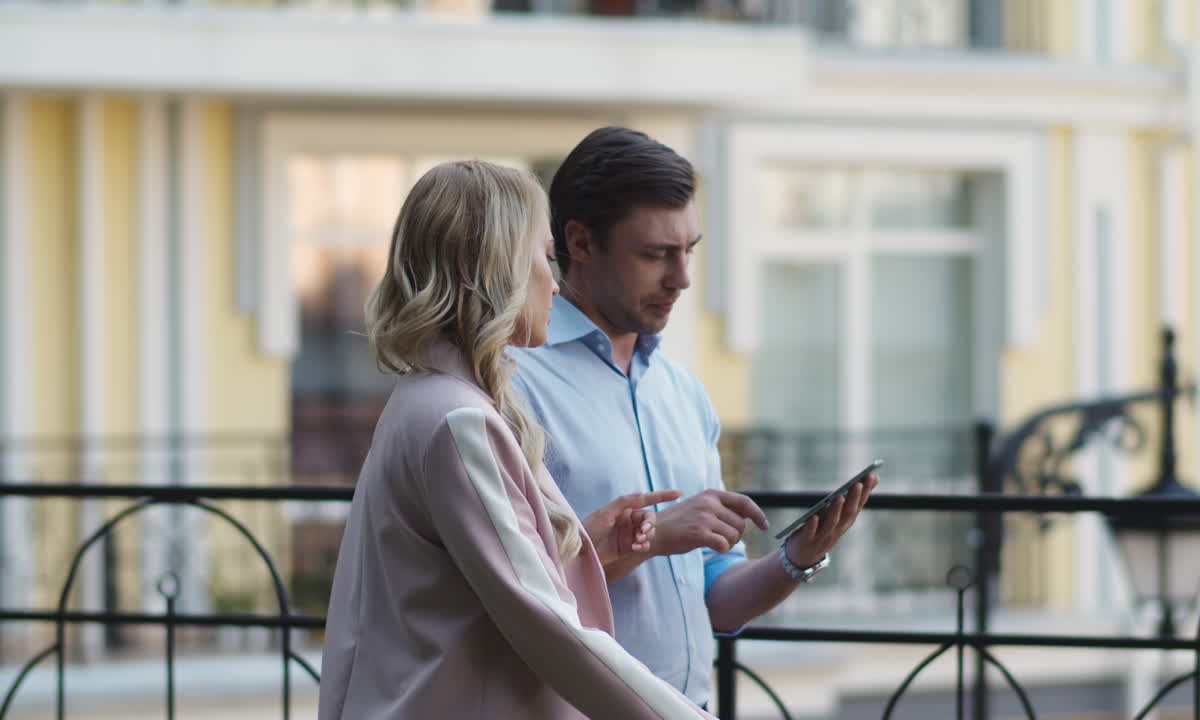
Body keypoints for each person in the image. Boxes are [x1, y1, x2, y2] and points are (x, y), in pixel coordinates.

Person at [318, 160, 716, 719]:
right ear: (495, 269)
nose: (555, 282)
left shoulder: (431, 399)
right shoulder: (459, 419)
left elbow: (464, 596)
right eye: (546, 258)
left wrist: (584, 549)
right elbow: (548, 625)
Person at [511, 128, 879, 707]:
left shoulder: (682, 392)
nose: (681, 277)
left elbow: (719, 601)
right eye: (656, 254)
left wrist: (798, 558)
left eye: (689, 251)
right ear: (579, 242)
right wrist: (655, 537)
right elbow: (515, 591)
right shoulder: (511, 384)